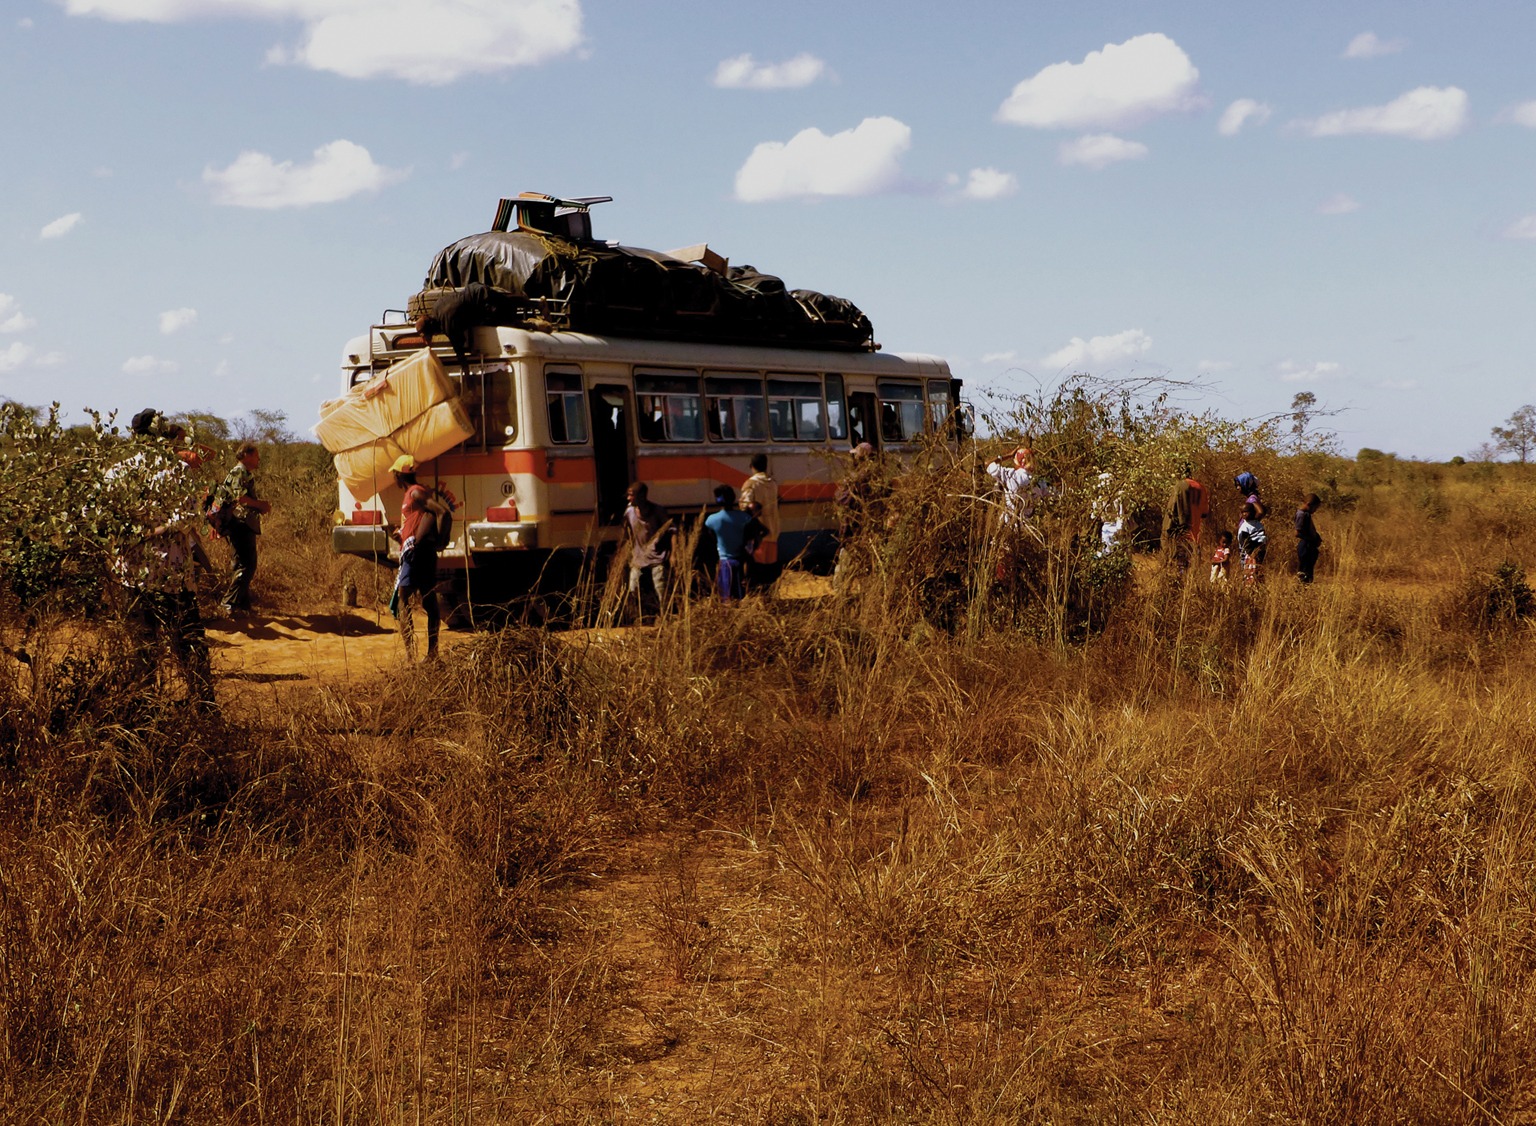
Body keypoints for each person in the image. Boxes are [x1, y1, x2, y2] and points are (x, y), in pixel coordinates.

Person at [110, 451, 216, 703]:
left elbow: (96, 517)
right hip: (174, 573)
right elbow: (189, 518)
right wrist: (161, 529)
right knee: (189, 641)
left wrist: (137, 534)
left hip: (134, 576)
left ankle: (144, 708)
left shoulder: (116, 470)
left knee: (143, 645)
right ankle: (204, 706)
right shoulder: (177, 470)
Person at [389, 455, 450, 661]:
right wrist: (400, 535)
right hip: (419, 552)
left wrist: (442, 541)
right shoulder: (412, 494)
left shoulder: (415, 492)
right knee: (429, 600)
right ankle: (431, 654)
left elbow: (442, 513)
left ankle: (410, 656)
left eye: (394, 475)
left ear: (399, 475)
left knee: (403, 599)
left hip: (416, 554)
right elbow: (417, 523)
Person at [218, 442, 271, 617]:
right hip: (239, 523)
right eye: (256, 456)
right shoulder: (239, 472)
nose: (258, 460)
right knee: (247, 564)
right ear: (247, 455)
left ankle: (242, 605)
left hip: (240, 523)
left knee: (241, 563)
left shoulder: (242, 472)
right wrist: (260, 505)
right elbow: (239, 497)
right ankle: (229, 603)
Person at [623, 481, 671, 622]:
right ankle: (638, 619)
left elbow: (672, 531)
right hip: (638, 558)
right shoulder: (629, 512)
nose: (628, 498)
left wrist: (673, 553)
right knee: (633, 590)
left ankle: (665, 618)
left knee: (661, 590)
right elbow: (626, 533)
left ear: (642, 496)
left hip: (657, 557)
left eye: (631, 495)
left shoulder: (658, 511)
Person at [704, 484, 754, 601]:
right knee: (742, 596)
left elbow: (711, 539)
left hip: (724, 563)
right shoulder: (745, 518)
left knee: (726, 597)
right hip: (742, 561)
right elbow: (750, 538)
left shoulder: (711, 520)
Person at [739, 452, 781, 585]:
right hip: (773, 532)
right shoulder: (773, 483)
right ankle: (769, 599)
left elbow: (745, 507)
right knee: (770, 572)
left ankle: (759, 601)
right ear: (766, 466)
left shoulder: (750, 484)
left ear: (751, 466)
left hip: (758, 536)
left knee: (757, 572)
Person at [986, 445, 1041, 526]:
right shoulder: (1039, 482)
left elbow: (988, 464)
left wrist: (1009, 455)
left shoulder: (1009, 474)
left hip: (1007, 522)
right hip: (1027, 525)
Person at [1166, 470, 1209, 569]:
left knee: (1178, 564)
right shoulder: (1201, 488)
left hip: (1180, 535)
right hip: (1194, 534)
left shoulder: (1179, 486)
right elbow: (1205, 513)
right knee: (1189, 564)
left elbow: (1171, 512)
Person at [1237, 500, 1268, 585]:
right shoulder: (1244, 527)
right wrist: (1251, 552)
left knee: (1257, 572)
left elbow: (1263, 537)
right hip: (1249, 554)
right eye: (1242, 512)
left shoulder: (1258, 524)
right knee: (1249, 573)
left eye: (1246, 512)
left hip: (1258, 552)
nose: (1244, 514)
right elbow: (1245, 542)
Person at [1295, 494, 1323, 583]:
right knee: (1304, 572)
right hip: (1305, 546)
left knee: (1309, 571)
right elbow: (1297, 533)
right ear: (1308, 504)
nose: (1315, 510)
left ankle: (1305, 590)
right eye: (1315, 508)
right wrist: (1312, 539)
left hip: (1309, 546)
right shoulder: (1301, 515)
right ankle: (1300, 591)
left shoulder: (1306, 514)